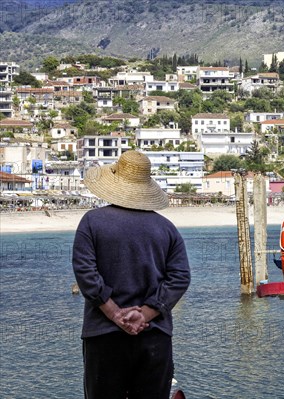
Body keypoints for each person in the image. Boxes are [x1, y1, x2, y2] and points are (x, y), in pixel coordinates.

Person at [72, 150, 191, 399]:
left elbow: (86, 273)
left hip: (103, 335)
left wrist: (115, 314)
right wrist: (145, 314)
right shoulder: (166, 228)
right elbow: (180, 277)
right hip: (154, 335)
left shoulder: (92, 222)